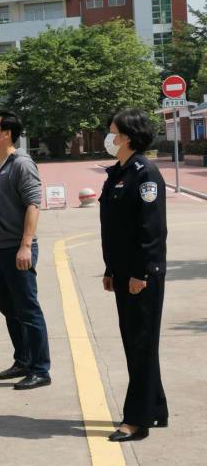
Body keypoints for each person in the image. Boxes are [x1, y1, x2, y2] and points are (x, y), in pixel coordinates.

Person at [99, 109, 168, 442]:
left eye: (112, 131)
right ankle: (154, 408)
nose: (108, 137)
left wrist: (141, 273)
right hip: (124, 272)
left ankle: (137, 421)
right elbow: (115, 230)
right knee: (137, 344)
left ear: (126, 136)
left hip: (142, 275)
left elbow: (151, 230)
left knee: (141, 345)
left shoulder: (145, 173)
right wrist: (111, 268)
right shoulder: (118, 172)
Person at [0, 110, 51, 390]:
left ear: (6, 133)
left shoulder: (22, 164)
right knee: (8, 308)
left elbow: (33, 205)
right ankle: (23, 359)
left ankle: (41, 369)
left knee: (28, 310)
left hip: (17, 249)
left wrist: (26, 245)